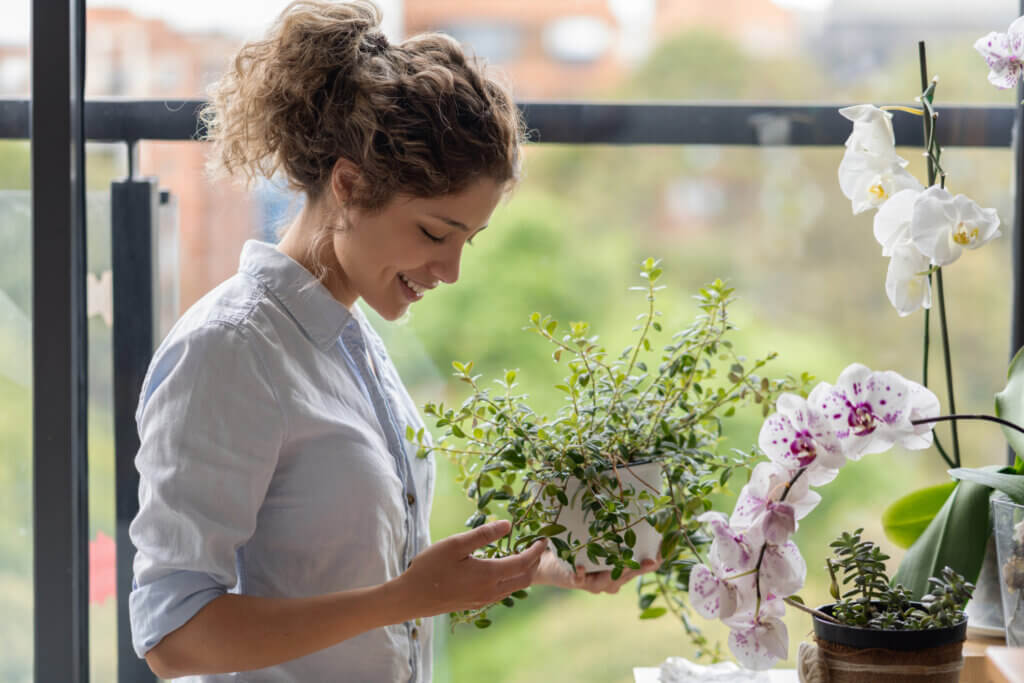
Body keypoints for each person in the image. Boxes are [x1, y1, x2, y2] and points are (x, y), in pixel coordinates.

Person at [128, 1, 658, 680]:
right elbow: (173, 635)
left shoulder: (351, 340)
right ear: (349, 186)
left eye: (468, 240)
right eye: (435, 234)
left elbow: (343, 566)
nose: (451, 270)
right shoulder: (229, 352)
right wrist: (401, 599)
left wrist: (539, 567)